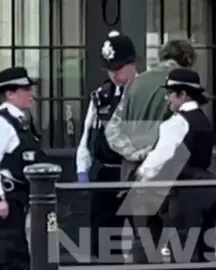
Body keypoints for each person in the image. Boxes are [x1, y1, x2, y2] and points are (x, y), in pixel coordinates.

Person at [104, 39, 198, 263]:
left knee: (143, 239)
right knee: (178, 241)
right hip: (169, 173)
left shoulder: (135, 84)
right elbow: (179, 130)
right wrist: (152, 153)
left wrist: (134, 153)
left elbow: (112, 130)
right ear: (187, 61)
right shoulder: (179, 85)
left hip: (133, 174)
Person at [136, 68, 216, 263]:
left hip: (182, 190)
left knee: (181, 249)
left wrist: (142, 175)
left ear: (182, 94)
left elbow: (159, 158)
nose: (167, 99)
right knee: (204, 248)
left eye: (170, 94)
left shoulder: (176, 122)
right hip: (206, 187)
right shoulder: (204, 121)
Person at [76, 30, 138, 263]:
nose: (115, 75)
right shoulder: (100, 96)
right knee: (102, 238)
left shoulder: (144, 93)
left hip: (135, 172)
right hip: (108, 172)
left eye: (119, 68)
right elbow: (87, 135)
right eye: (110, 69)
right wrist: (82, 169)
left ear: (133, 63)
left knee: (145, 237)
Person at [0, 66, 45, 269]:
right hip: (4, 199)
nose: (31, 94)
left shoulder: (22, 122)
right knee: (10, 256)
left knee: (5, 255)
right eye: (25, 89)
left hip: (17, 199)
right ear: (9, 93)